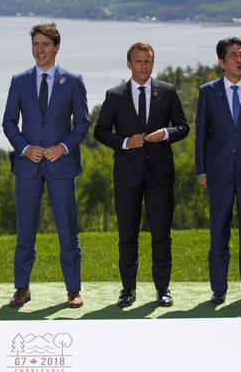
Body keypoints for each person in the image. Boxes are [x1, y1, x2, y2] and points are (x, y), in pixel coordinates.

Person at [94, 42, 189, 308]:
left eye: (148, 61)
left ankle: (163, 289)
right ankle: (128, 289)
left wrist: (166, 134)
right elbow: (100, 132)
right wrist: (125, 142)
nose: (144, 66)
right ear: (129, 64)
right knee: (127, 235)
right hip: (127, 176)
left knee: (161, 234)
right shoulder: (115, 95)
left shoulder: (167, 92)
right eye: (139, 61)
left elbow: (183, 127)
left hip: (160, 175)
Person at [3, 22, 90, 308]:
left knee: (67, 229)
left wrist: (62, 147)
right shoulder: (19, 80)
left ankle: (73, 290)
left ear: (56, 47)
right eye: (35, 44)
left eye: (45, 45)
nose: (39, 50)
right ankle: (21, 287)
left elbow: (82, 123)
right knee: (25, 229)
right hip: (28, 167)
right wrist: (25, 149)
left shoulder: (74, 81)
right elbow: (8, 123)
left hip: (61, 165)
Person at [194, 36, 241, 305]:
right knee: (219, 233)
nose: (240, 60)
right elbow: (201, 134)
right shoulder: (207, 92)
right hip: (219, 173)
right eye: (234, 56)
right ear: (221, 62)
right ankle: (219, 289)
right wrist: (201, 169)